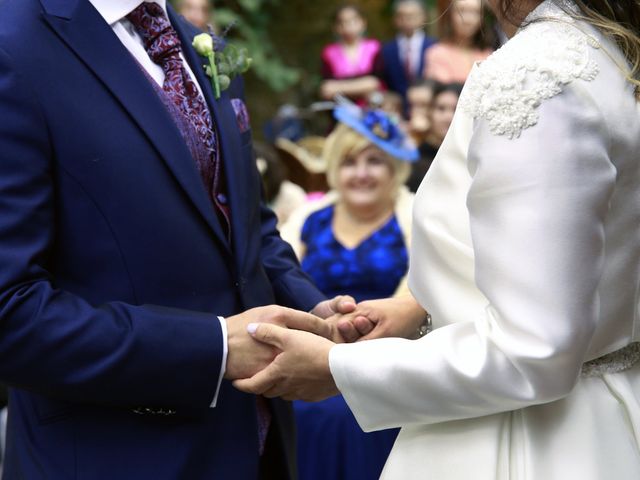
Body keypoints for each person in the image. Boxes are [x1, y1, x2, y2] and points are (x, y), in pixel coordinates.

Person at [235, 0, 640, 478]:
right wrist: (422, 310)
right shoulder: (611, 53)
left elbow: (535, 349)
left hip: (529, 439)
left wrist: (339, 368)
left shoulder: (536, 76)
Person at [0, 0, 356, 478]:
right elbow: (11, 312)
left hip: (259, 444)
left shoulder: (195, 41)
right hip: (116, 455)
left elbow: (246, 223)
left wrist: (310, 311)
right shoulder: (14, 43)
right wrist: (215, 349)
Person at [280, 105, 416, 480]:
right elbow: (279, 282)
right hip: (309, 351)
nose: (361, 173)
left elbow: (425, 296)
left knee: (347, 416)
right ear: (334, 168)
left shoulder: (418, 218)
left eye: (374, 161)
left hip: (389, 357)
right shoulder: (308, 219)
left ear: (394, 168)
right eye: (349, 162)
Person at [376, 0, 436, 108]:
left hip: (426, 109)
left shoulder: (434, 47)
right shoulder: (386, 50)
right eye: (402, 15)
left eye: (412, 15)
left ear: (423, 17)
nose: (407, 19)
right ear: (395, 19)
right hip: (395, 110)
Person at [319, 4, 382, 105]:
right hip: (341, 108)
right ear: (335, 27)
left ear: (363, 22)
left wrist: (339, 88)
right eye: (342, 22)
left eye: (353, 21)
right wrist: (363, 86)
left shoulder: (374, 47)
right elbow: (327, 89)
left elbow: (376, 83)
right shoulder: (329, 52)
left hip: (371, 107)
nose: (348, 26)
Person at [406, 81, 463, 192]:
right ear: (430, 112)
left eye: (456, 109)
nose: (448, 117)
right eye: (441, 108)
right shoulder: (414, 155)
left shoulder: (470, 158)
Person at [423, 0, 494, 83]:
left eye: (475, 12)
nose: (468, 19)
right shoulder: (436, 53)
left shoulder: (488, 55)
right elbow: (442, 88)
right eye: (461, 11)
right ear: (450, 15)